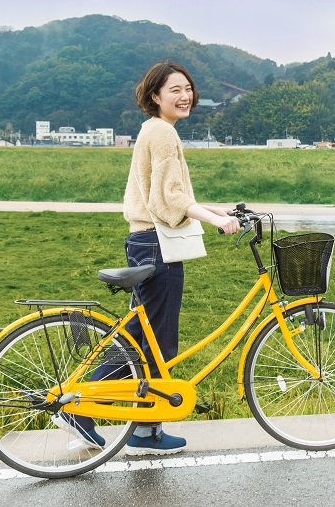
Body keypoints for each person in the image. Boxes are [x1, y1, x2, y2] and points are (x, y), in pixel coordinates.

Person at [53, 58, 240, 456]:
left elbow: (169, 194)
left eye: (187, 88)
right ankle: (88, 410)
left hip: (145, 239)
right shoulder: (163, 133)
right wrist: (213, 220)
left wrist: (217, 210)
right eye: (175, 90)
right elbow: (169, 198)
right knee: (156, 343)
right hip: (157, 244)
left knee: (144, 337)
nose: (185, 96)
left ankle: (143, 427)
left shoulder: (153, 130)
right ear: (155, 96)